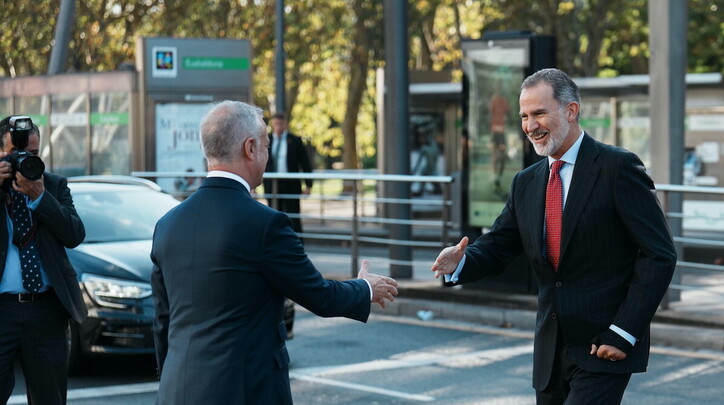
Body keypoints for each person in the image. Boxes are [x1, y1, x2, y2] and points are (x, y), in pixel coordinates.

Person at [431, 69, 676, 405]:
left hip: (604, 345)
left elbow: (659, 254)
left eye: (540, 113)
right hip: (549, 350)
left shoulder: (618, 168)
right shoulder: (526, 182)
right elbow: (501, 244)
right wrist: (461, 262)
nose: (531, 126)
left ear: (571, 111)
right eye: (524, 116)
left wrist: (624, 332)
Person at [150, 101, 399, 405]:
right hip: (246, 391)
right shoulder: (266, 224)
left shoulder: (167, 224)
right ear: (251, 148)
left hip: (177, 389)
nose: (268, 155)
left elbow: (163, 320)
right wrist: (364, 288)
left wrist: (170, 379)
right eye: (267, 145)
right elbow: (317, 294)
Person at [0, 118, 86, 405]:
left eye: (34, 154)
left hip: (47, 310)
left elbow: (74, 234)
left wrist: (40, 197)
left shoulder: (53, 185)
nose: (25, 159)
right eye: (16, 151)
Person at [263, 112, 313, 235]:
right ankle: (274, 244)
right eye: (276, 124)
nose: (278, 126)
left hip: (291, 184)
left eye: (281, 124)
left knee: (293, 216)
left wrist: (308, 185)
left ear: (285, 124)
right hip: (272, 184)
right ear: (272, 125)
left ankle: (297, 244)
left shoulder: (295, 140)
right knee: (272, 215)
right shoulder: (266, 140)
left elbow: (305, 163)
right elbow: (261, 162)